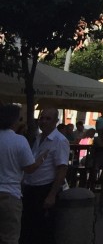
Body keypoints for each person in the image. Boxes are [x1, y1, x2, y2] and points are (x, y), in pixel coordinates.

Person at [0, 104, 48, 244]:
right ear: (14, 120)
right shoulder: (19, 141)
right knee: (10, 237)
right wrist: (41, 159)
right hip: (10, 194)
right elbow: (30, 168)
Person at [22, 107, 69, 244]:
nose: (43, 121)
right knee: (28, 228)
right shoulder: (37, 138)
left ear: (56, 121)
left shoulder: (60, 140)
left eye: (48, 118)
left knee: (43, 230)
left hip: (45, 189)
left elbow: (62, 168)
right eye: (42, 117)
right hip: (30, 187)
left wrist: (52, 195)